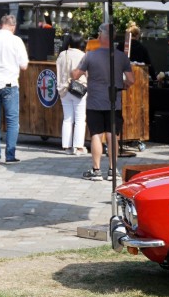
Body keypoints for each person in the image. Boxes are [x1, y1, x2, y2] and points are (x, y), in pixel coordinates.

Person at [72, 23, 135, 181]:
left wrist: (73, 70)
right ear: (113, 37)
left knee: (96, 135)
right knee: (113, 135)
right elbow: (131, 80)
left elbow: (75, 75)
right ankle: (113, 170)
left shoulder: (90, 55)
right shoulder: (121, 56)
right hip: (114, 101)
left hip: (95, 101)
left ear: (100, 36)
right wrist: (123, 85)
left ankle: (96, 170)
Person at [0, 14, 29, 164]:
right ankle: (10, 155)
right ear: (13, 27)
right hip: (9, 84)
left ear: (1, 25)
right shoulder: (16, 41)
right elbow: (24, 65)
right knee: (12, 121)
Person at [56, 32, 88, 155]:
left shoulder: (62, 55)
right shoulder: (82, 55)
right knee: (80, 119)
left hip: (63, 89)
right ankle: (79, 147)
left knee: (68, 118)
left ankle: (67, 146)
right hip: (78, 89)